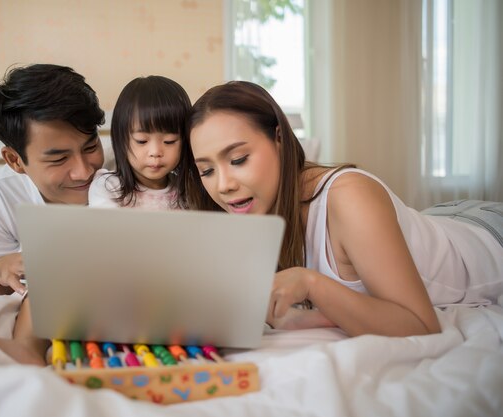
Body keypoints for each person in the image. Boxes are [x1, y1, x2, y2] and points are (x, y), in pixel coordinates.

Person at [182, 80, 503, 337]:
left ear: (279, 138)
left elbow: (421, 325)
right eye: (207, 170)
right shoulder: (253, 211)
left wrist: (312, 283)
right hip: (439, 220)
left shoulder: (348, 196)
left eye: (238, 160)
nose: (223, 184)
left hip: (487, 235)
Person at [0, 63, 107, 365]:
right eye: (59, 158)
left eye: (91, 146)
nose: (84, 171)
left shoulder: (123, 174)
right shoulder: (3, 194)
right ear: (15, 160)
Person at [88, 75, 192, 210]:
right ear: (122, 140)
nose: (155, 152)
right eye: (141, 141)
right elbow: (106, 228)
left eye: (169, 141)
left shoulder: (188, 191)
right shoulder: (109, 187)